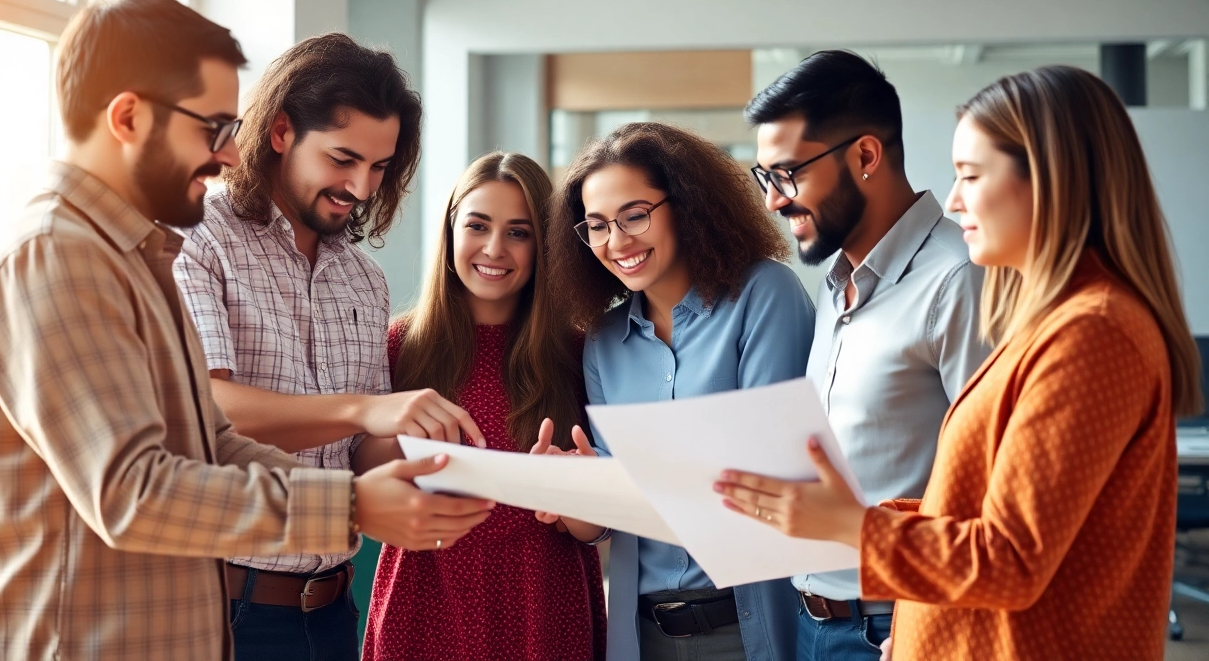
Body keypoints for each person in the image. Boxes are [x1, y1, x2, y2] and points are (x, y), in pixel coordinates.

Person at [0, 0, 495, 661]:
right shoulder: (56, 256)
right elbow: (132, 490)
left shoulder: (133, 256)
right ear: (129, 117)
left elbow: (210, 438)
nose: (232, 155)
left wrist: (396, 480)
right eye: (213, 128)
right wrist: (348, 505)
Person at [716, 65, 1204, 660]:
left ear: (1050, 183)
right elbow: (979, 507)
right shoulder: (1060, 323)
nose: (952, 199)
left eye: (970, 176)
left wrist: (854, 526)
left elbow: (1012, 557)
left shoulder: (1094, 331)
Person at [172, 32, 486, 659]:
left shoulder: (362, 279)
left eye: (379, 166)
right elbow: (204, 412)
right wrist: (362, 409)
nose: (362, 188)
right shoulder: (200, 239)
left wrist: (450, 447)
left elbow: (359, 455)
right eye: (343, 159)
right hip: (228, 610)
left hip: (335, 614)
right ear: (281, 131)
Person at [744, 50, 990, 660]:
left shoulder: (957, 278)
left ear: (865, 156)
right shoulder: (835, 283)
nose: (774, 201)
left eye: (788, 175)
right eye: (765, 177)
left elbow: (985, 494)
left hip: (895, 627)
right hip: (813, 620)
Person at [546, 123, 814, 661]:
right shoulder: (603, 342)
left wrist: (630, 480)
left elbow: (770, 470)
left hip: (747, 622)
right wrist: (573, 493)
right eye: (596, 226)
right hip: (645, 634)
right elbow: (613, 524)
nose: (616, 242)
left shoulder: (763, 294)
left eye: (635, 215)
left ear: (685, 205)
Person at [361, 151, 606, 661]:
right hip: (422, 598)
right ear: (451, 230)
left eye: (519, 232)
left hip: (545, 603)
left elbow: (594, 529)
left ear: (545, 247)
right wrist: (408, 441)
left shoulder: (582, 352)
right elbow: (356, 468)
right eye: (477, 225)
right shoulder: (395, 346)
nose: (495, 248)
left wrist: (577, 493)